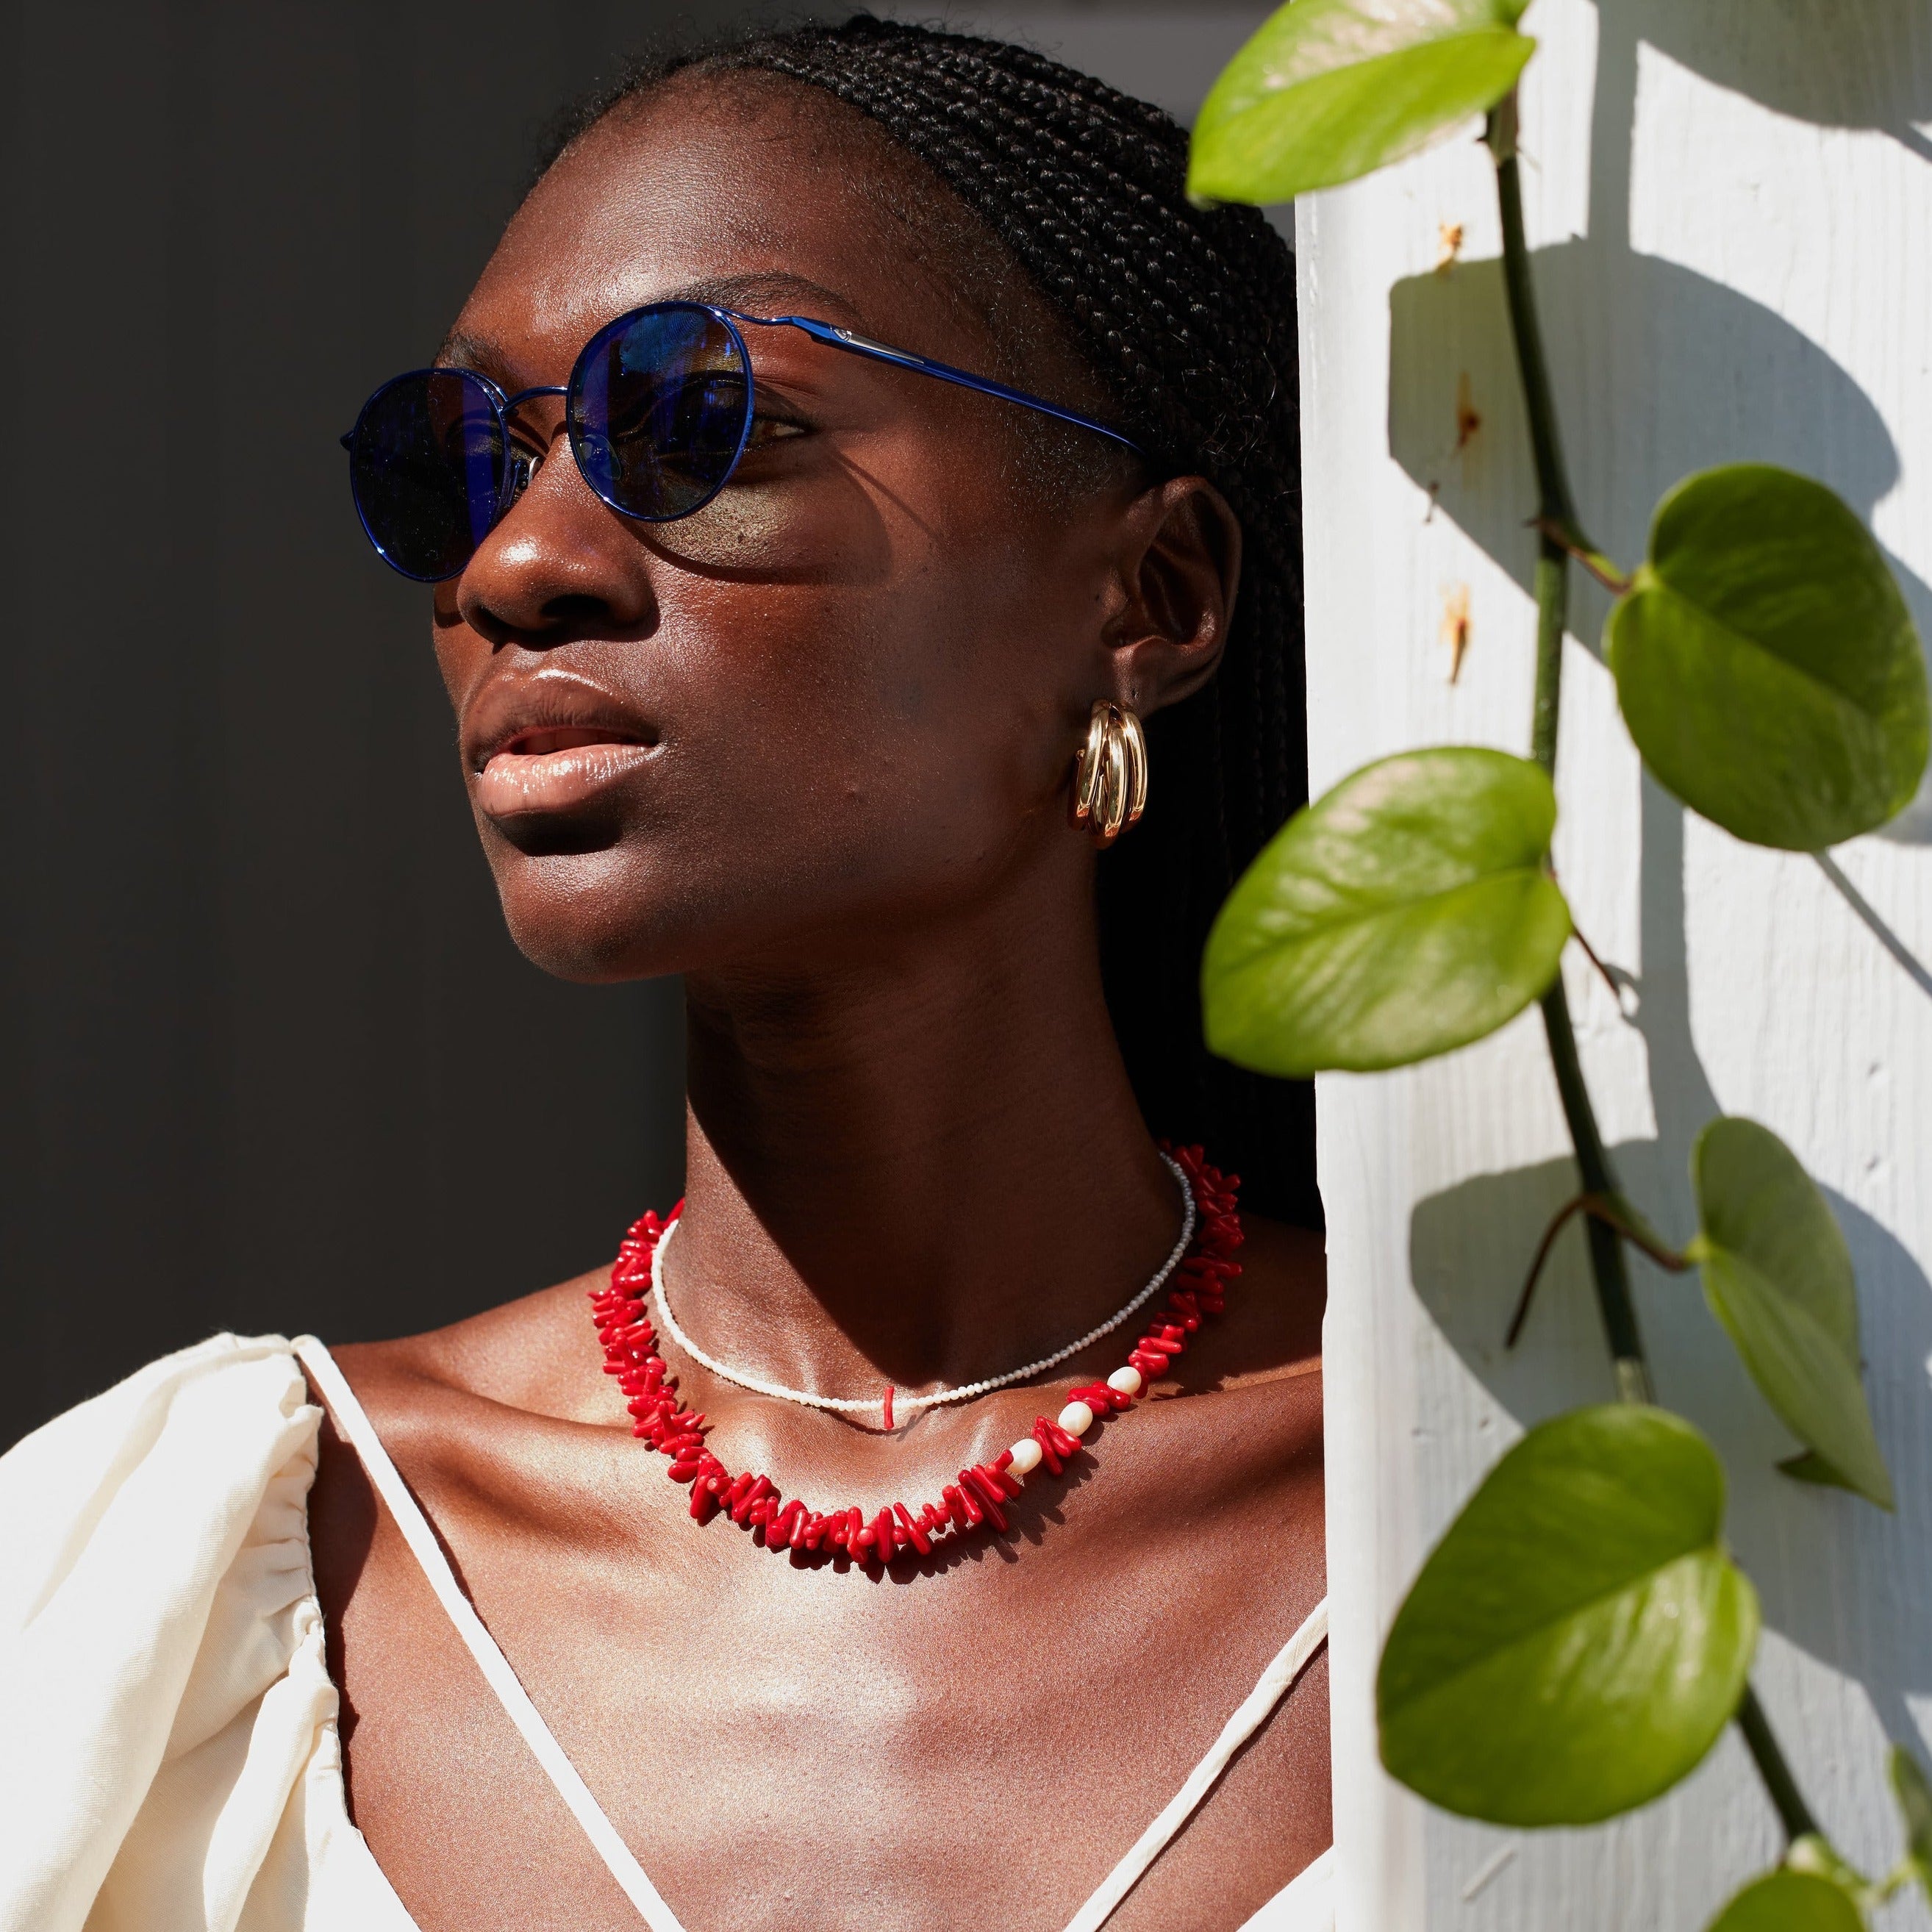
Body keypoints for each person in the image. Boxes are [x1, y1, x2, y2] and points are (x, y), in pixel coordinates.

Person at [0, 18, 1328, 1931]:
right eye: (455, 462)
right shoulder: (207, 1571)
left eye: (697, 423)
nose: (521, 562)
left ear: (1148, 601)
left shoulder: (1509, 1510)